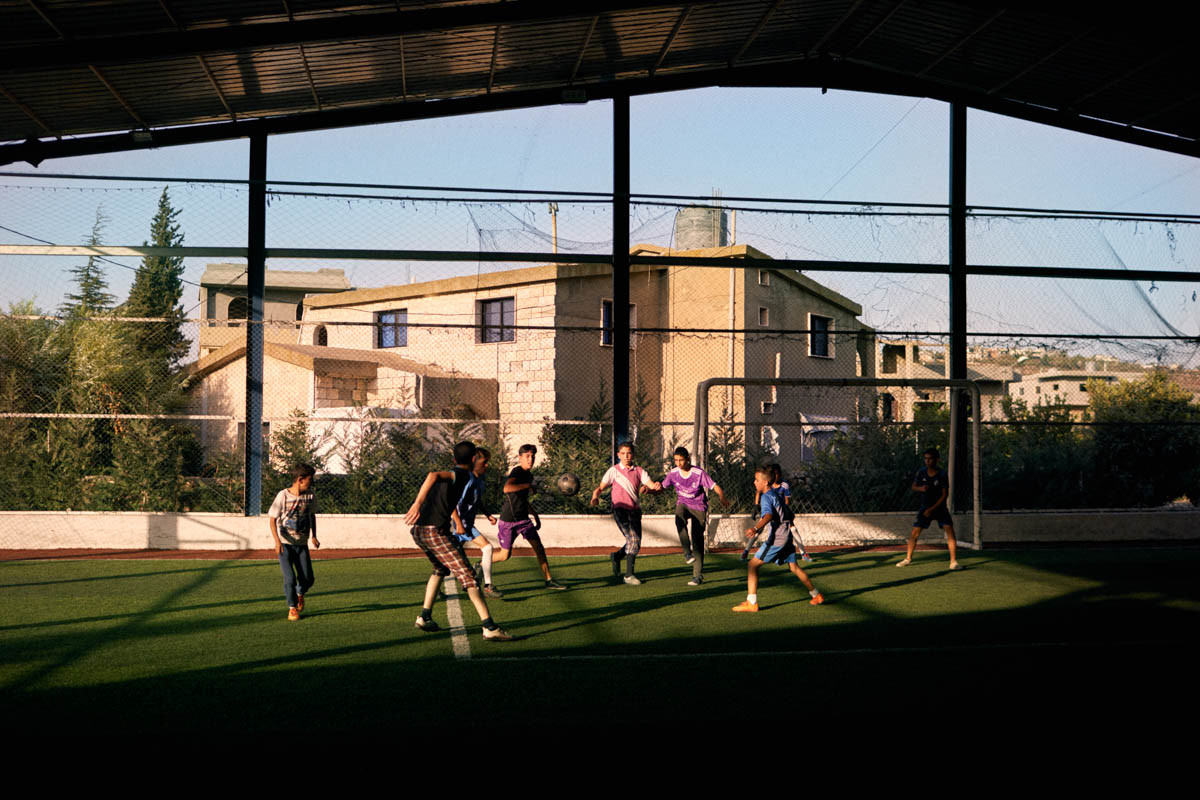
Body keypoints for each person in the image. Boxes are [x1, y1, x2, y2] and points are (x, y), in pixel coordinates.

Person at [404, 441, 513, 640]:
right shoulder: (463, 475)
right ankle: (489, 627)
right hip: (433, 531)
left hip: (419, 531)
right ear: (473, 460)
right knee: (470, 579)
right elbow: (432, 475)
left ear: (454, 458)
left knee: (440, 569)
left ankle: (425, 617)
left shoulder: (462, 476)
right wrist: (417, 503)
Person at [733, 465, 824, 612]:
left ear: (765, 482)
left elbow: (768, 516)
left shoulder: (766, 497)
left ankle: (752, 603)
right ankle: (816, 595)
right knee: (794, 567)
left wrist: (755, 528)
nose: (754, 482)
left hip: (778, 539)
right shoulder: (775, 495)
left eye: (756, 480)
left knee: (752, 565)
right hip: (786, 536)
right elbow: (788, 514)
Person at [490, 444, 566, 591]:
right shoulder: (517, 471)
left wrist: (534, 514)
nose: (530, 459)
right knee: (505, 555)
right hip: (508, 520)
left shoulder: (529, 475)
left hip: (523, 519)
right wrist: (527, 486)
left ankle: (549, 580)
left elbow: (523, 500)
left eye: (532, 456)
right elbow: (507, 488)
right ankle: (482, 563)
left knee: (539, 547)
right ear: (520, 458)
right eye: (527, 456)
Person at [590, 441, 657, 585]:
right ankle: (629, 576)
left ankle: (616, 556)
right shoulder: (613, 470)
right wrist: (595, 496)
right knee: (634, 540)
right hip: (619, 510)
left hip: (635, 511)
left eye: (629, 453)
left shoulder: (639, 470)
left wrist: (654, 486)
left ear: (633, 455)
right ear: (618, 455)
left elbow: (651, 484)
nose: (626, 456)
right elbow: (600, 488)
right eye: (623, 453)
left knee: (635, 543)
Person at [659, 446, 728, 585]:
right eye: (676, 460)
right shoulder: (673, 473)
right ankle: (686, 553)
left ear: (688, 459)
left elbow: (714, 486)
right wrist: (648, 490)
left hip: (698, 507)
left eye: (681, 460)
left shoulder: (698, 473)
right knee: (679, 518)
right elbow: (662, 487)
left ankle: (697, 576)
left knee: (697, 541)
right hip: (683, 503)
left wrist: (721, 496)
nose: (679, 463)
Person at [268, 463, 320, 621]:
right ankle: (292, 608)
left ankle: (299, 594)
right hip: (285, 544)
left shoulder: (310, 496)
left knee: (308, 579)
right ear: (300, 480)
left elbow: (312, 516)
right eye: (310, 480)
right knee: (289, 578)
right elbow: (272, 520)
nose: (311, 483)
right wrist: (277, 542)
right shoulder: (283, 496)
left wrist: (314, 536)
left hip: (302, 544)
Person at [896, 447, 962, 570]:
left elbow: (944, 495)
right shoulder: (921, 472)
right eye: (926, 459)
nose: (927, 461)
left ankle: (953, 562)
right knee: (914, 533)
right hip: (925, 507)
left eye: (930, 459)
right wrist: (921, 489)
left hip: (939, 508)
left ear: (936, 460)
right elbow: (914, 487)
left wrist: (931, 510)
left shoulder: (942, 474)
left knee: (950, 531)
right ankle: (908, 558)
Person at [454, 447, 502, 598]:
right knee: (487, 548)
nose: (487, 466)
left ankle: (485, 585)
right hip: (459, 525)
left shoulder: (479, 480)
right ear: (474, 461)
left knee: (450, 558)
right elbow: (453, 503)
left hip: (465, 525)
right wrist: (458, 524)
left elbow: (477, 501)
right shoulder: (467, 480)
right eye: (484, 462)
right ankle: (488, 586)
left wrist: (488, 514)